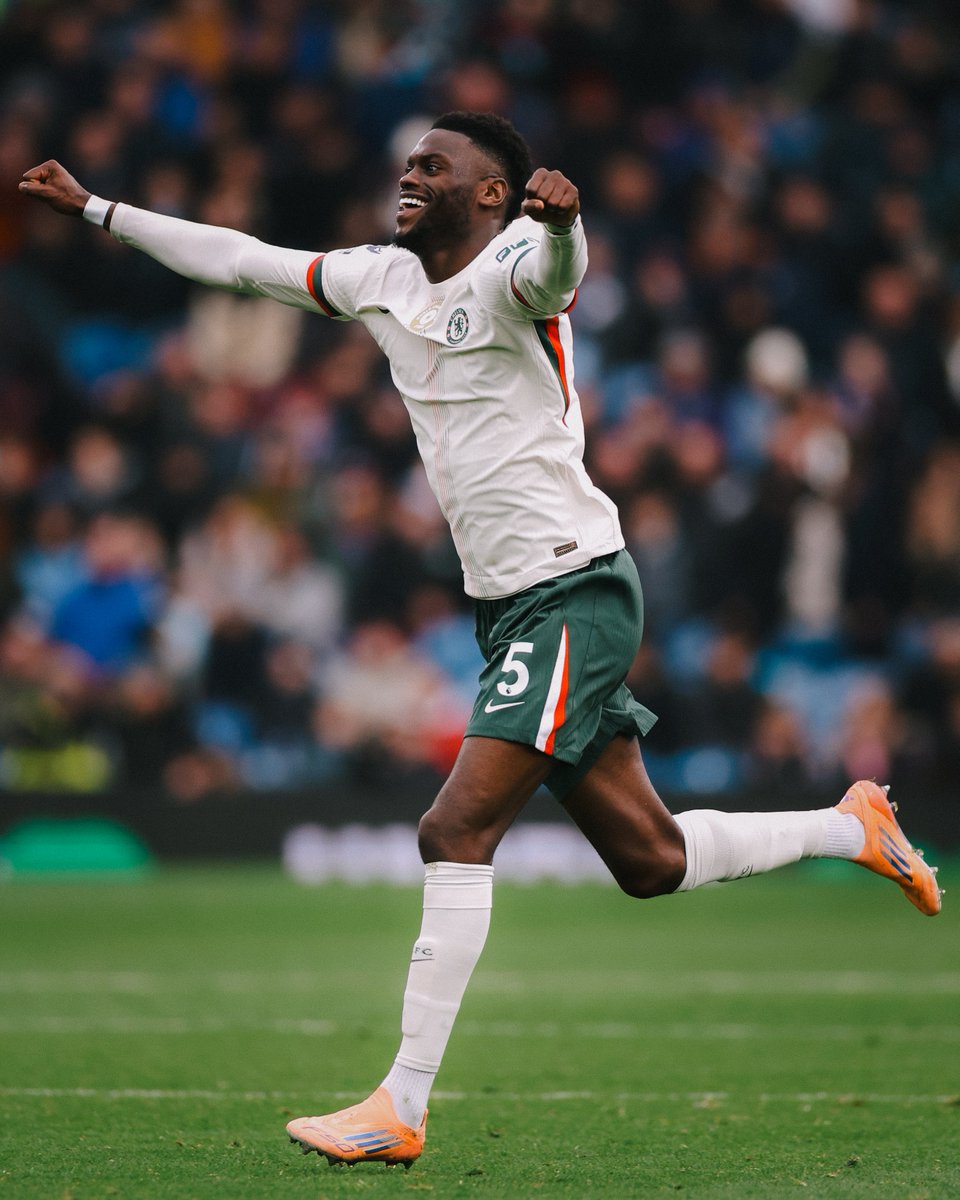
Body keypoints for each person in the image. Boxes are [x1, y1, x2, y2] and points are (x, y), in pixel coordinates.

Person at [21, 111, 943, 1170]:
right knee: (650, 860)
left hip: (574, 590)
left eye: (434, 165)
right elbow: (239, 259)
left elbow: (557, 278)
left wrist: (564, 225)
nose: (409, 175)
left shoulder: (514, 265)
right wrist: (101, 210)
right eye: (408, 161)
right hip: (510, 609)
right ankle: (850, 827)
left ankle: (401, 1105)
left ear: (492, 194)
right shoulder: (380, 279)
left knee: (453, 829)